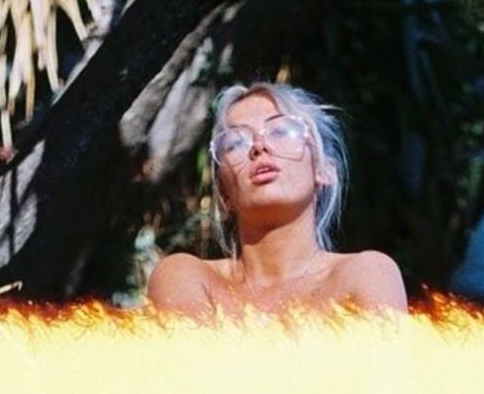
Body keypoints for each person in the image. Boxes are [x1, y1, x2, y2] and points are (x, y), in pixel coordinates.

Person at [147, 81, 407, 317]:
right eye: (235, 143)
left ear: (324, 170)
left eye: (281, 131)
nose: (259, 146)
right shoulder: (186, 277)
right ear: (225, 195)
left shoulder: (366, 274)